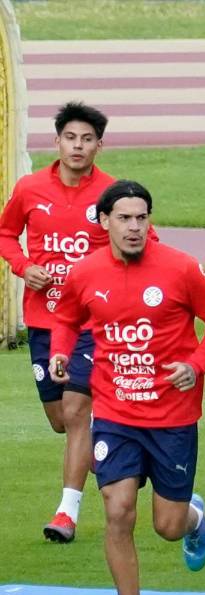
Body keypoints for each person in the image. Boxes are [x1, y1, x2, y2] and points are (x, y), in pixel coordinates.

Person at [49, 180, 205, 595]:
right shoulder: (85, 272)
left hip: (172, 417)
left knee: (168, 526)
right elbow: (66, 318)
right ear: (104, 221)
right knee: (118, 511)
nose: (134, 227)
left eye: (141, 218)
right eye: (124, 218)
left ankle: (194, 518)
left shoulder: (182, 268)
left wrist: (195, 365)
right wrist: (60, 351)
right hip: (114, 413)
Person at [0, 102, 113, 543]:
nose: (78, 146)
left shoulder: (112, 194)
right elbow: (6, 233)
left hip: (90, 323)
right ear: (57, 142)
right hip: (43, 320)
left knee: (76, 410)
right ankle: (113, 440)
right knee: (60, 420)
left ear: (99, 145)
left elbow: (143, 241)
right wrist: (24, 266)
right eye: (71, 138)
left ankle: (67, 513)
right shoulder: (30, 189)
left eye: (87, 139)